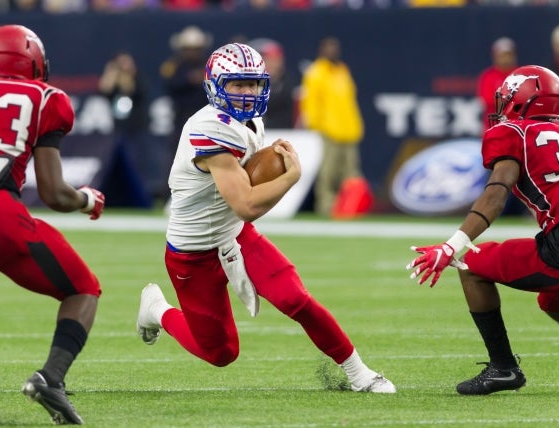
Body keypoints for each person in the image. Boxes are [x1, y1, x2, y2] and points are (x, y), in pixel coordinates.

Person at [136, 42, 396, 394]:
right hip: (193, 253)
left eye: (254, 84)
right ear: (215, 85)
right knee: (221, 353)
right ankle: (158, 311)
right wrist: (289, 178)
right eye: (237, 84)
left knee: (295, 299)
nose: (248, 93)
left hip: (235, 236)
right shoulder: (210, 128)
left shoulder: (251, 121)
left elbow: (243, 205)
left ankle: (359, 373)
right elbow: (247, 203)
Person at [0, 24, 105, 424]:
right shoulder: (46, 97)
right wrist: (87, 198)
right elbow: (53, 193)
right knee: (83, 289)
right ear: (32, 62)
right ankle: (50, 379)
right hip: (0, 218)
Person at [407, 65, 559, 396]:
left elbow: (496, 193)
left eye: (508, 99)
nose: (503, 106)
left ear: (523, 101)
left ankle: (504, 368)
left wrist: (452, 246)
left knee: (472, 266)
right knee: (552, 299)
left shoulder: (515, 133)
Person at [299, 36, 365, 216]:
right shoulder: (316, 72)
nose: (333, 52)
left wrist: (355, 125)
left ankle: (351, 206)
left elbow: (350, 101)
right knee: (328, 172)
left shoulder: (342, 70)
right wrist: (315, 126)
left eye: (335, 48)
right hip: (328, 130)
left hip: (348, 129)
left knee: (351, 172)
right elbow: (310, 102)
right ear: (322, 50)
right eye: (329, 48)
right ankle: (326, 206)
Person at [247, 38, 298, 129]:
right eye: (270, 60)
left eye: (277, 60)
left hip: (285, 131)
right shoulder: (253, 83)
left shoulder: (288, 83)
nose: (274, 64)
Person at [477, 37, 518, 132]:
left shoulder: (520, 73)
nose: (506, 58)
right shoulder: (488, 76)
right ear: (495, 56)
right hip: (493, 127)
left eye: (509, 55)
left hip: (516, 127)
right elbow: (488, 101)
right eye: (502, 55)